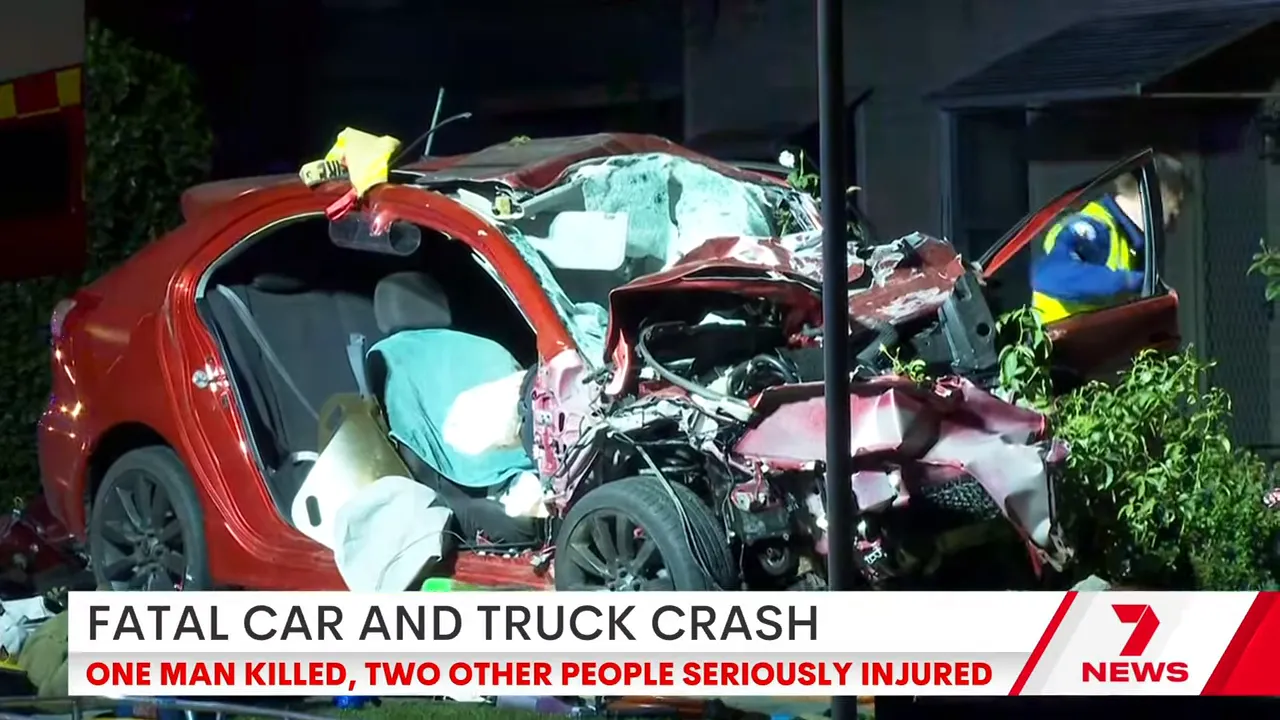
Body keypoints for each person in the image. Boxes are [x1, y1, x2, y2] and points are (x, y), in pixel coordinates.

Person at [1031, 153, 1193, 323]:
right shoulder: (1096, 229)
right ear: (1151, 197)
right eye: (1172, 214)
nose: (1173, 228)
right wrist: (1134, 282)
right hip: (1059, 346)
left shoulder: (1130, 244)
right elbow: (1048, 275)